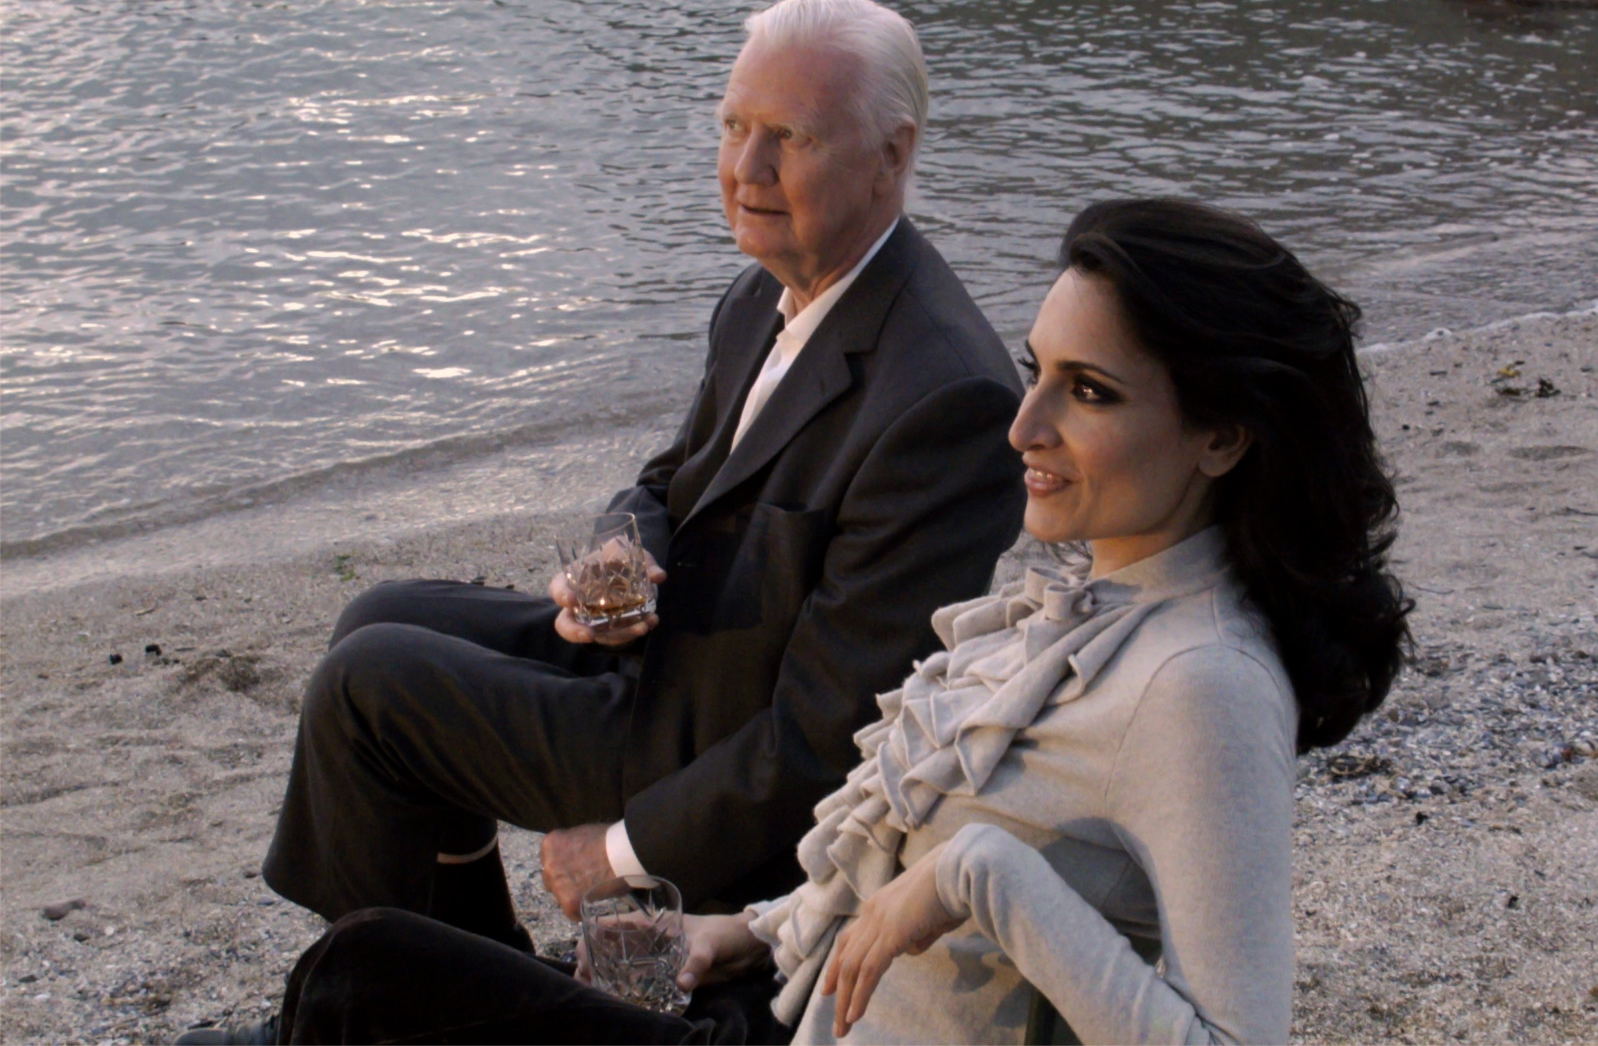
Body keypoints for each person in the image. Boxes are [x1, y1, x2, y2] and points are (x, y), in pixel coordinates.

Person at [191, 198, 1412, 1045]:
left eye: (1086, 394)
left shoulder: (1199, 681)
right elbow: (891, 859)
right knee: (368, 983)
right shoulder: (1089, 605)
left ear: (1223, 433)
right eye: (1038, 369)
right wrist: (741, 929)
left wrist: (982, 880)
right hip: (774, 1001)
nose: (1022, 424)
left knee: (366, 978)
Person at [256, 0, 1026, 964]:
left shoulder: (945, 402)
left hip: (708, 747)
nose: (746, 170)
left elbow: (827, 740)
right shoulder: (769, 289)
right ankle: (471, 972)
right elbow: (671, 478)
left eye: (788, 136)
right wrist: (619, 559)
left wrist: (622, 849)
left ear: (893, 156)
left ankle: (409, 996)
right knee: (373, 616)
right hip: (656, 653)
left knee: (370, 691)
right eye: (734, 127)